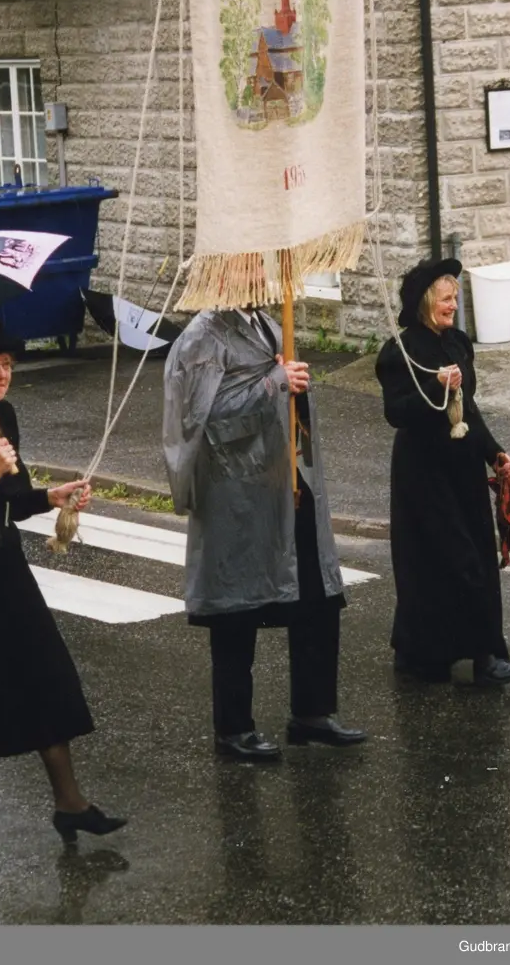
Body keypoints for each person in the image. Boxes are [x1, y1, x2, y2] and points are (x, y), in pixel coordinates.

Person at [0, 321, 126, 848]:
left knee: (43, 669)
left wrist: (50, 496)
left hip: (3, 567)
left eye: (8, 363)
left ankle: (70, 803)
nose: (3, 373)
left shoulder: (3, 416)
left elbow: (11, 498)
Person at [163, 305, 367, 761]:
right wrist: (275, 383)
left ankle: (313, 712)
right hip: (237, 491)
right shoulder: (204, 335)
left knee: (316, 592)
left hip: (287, 477)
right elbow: (204, 420)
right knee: (236, 606)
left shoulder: (269, 323)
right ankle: (233, 728)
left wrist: (285, 381)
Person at [374, 259, 510, 686]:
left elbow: (469, 409)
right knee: (442, 560)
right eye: (446, 298)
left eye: (455, 297)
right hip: (423, 472)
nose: (453, 305)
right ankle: (456, 654)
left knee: (477, 553)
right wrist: (436, 387)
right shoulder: (401, 351)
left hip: (460, 467)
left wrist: (494, 453)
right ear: (426, 301)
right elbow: (396, 413)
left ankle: (473, 653)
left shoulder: (459, 343)